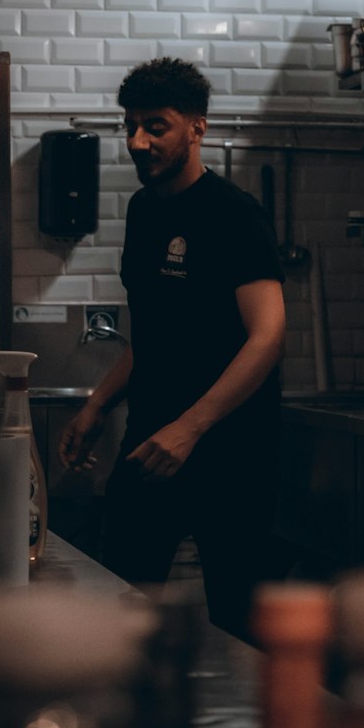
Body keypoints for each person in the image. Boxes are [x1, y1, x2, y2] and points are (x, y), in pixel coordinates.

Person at [59, 57, 287, 641]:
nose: (138, 141)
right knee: (123, 603)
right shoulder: (143, 209)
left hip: (232, 451)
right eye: (130, 126)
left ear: (196, 128)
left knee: (238, 619)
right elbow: (156, 334)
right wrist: (98, 403)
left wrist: (191, 428)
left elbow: (267, 336)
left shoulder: (235, 215)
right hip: (151, 441)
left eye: (155, 126)